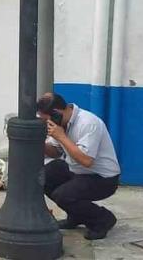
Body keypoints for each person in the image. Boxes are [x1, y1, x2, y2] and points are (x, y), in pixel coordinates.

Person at [36, 92, 121, 240]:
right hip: (76, 170)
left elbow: (87, 160)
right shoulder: (62, 124)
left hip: (102, 178)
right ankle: (76, 216)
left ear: (56, 114)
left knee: (62, 196)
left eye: (46, 121)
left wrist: (61, 136)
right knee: (43, 177)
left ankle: (103, 219)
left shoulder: (88, 123)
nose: (46, 124)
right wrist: (39, 142)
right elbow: (56, 152)